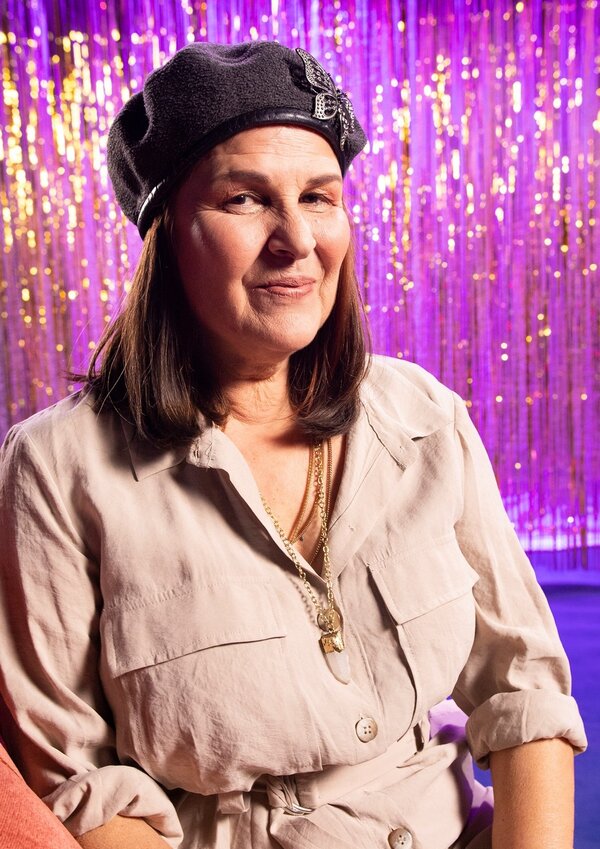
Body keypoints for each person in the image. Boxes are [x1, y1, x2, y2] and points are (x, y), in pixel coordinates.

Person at [0, 41, 586, 849]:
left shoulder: (424, 415)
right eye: (245, 199)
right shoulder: (54, 467)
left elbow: (526, 692)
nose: (296, 239)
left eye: (318, 196)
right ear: (166, 234)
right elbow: (78, 782)